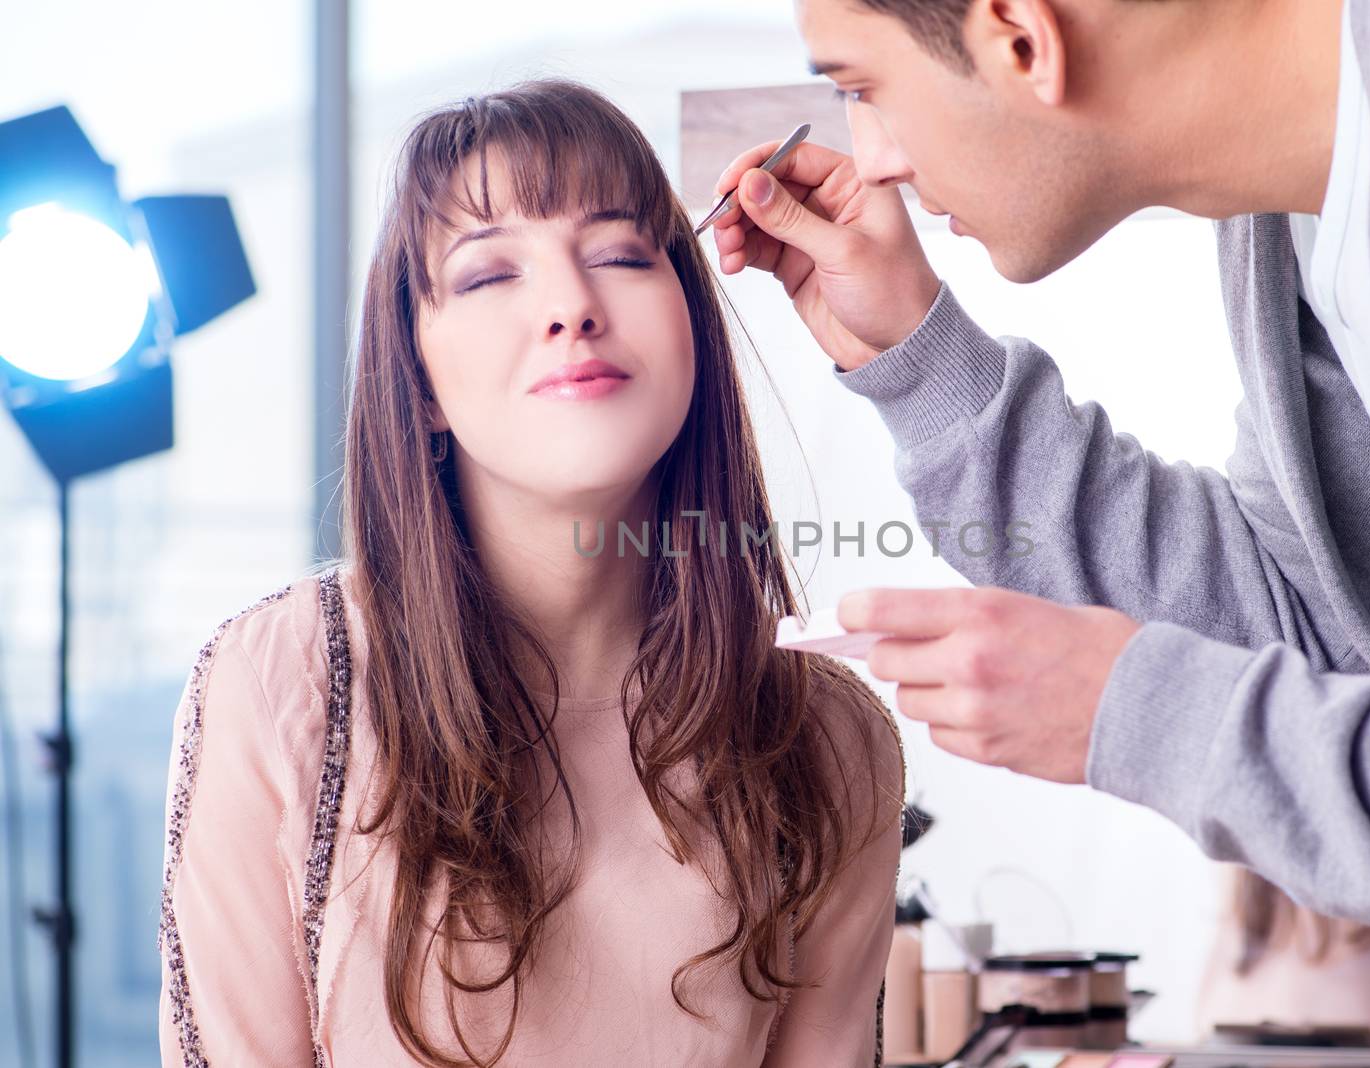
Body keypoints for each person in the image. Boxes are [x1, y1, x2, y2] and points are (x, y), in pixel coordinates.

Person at [708, 0, 1370, 980]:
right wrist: (919, 359)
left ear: (1019, 36)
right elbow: (1314, 620)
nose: (868, 158)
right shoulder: (1286, 222)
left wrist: (1134, 712)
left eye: (862, 90)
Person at [157, 80, 904, 1067]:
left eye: (619, 255)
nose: (571, 307)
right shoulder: (282, 682)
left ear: (692, 328)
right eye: (486, 275)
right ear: (417, 383)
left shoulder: (829, 744)